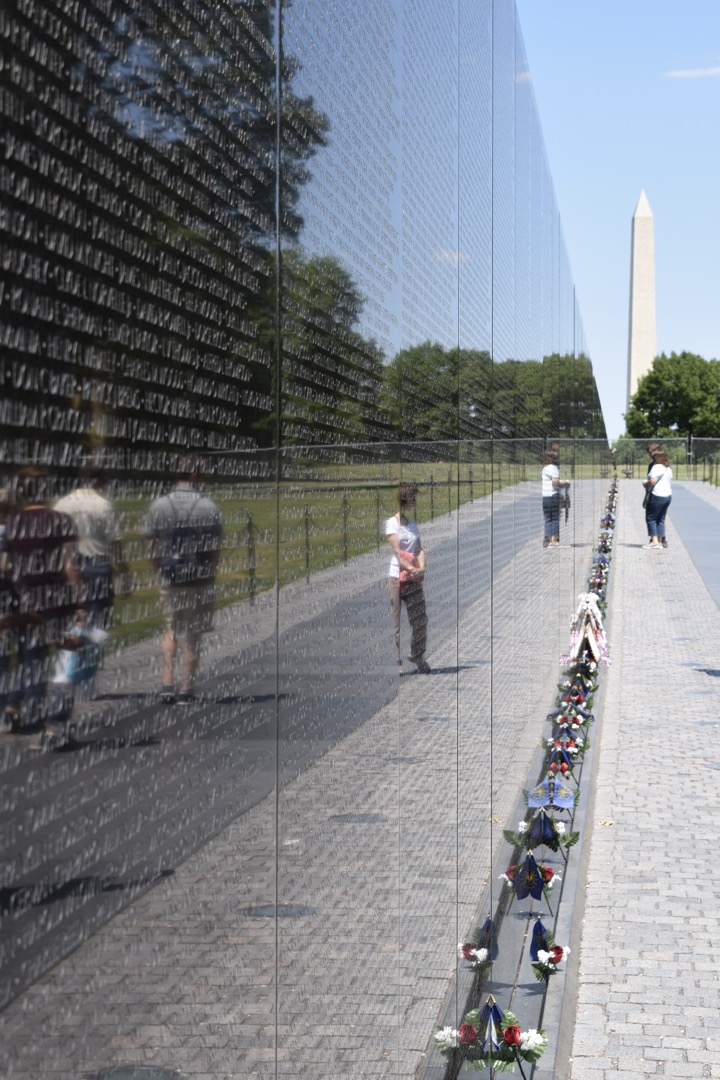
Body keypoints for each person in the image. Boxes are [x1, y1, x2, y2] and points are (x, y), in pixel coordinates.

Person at [0, 467, 80, 746]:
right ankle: (56, 725)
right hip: (57, 598)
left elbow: (6, 566)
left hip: (27, 602)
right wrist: (79, 603)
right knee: (63, 664)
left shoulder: (12, 524)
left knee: (31, 661)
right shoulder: (60, 521)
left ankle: (22, 714)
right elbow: (70, 566)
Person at [145, 465, 222, 704]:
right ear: (195, 476)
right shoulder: (207, 507)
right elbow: (214, 549)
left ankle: (168, 683)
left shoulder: (159, 505)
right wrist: (211, 571)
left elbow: (151, 547)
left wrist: (158, 569)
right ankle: (186, 687)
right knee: (193, 633)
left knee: (171, 630)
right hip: (198, 575)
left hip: (170, 575)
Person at [385, 484, 430, 675]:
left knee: (420, 620)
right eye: (411, 499)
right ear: (404, 500)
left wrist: (421, 566)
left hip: (413, 579)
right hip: (396, 578)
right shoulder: (392, 523)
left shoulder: (412, 525)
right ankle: (397, 662)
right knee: (397, 623)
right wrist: (409, 566)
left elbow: (419, 548)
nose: (413, 503)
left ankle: (417, 655)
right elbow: (396, 551)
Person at [643, 449, 672, 549]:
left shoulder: (656, 467)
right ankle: (659, 541)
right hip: (667, 496)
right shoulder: (667, 468)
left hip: (657, 495)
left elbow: (652, 481)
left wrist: (644, 483)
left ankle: (654, 541)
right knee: (661, 519)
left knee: (651, 518)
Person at [541, 451, 570, 547]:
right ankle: (554, 539)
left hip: (545, 496)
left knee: (548, 518)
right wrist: (565, 483)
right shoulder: (554, 468)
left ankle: (548, 539)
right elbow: (554, 482)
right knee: (555, 517)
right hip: (553, 495)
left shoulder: (544, 469)